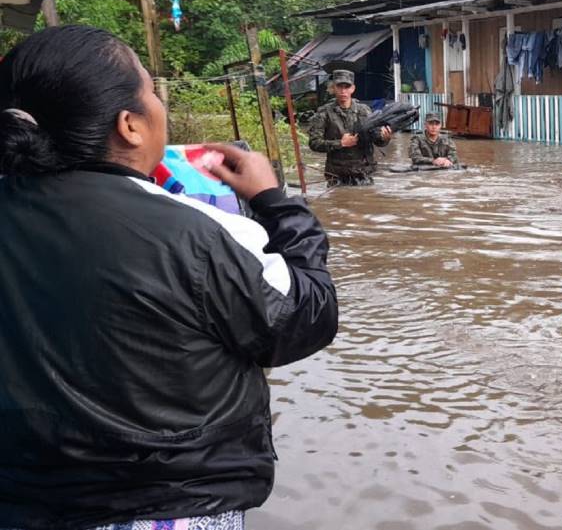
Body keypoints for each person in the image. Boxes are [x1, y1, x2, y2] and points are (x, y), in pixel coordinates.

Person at [0, 26, 339, 528]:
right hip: (171, 505)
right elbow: (307, 316)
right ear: (130, 126)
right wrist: (275, 201)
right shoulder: (202, 234)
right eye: (151, 90)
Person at [308, 69, 391, 186]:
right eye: (339, 87)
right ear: (333, 88)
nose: (343, 91)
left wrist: (385, 138)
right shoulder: (324, 113)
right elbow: (314, 143)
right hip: (337, 175)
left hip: (363, 173)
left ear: (353, 89)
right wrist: (341, 143)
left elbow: (377, 140)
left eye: (346, 87)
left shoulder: (365, 110)